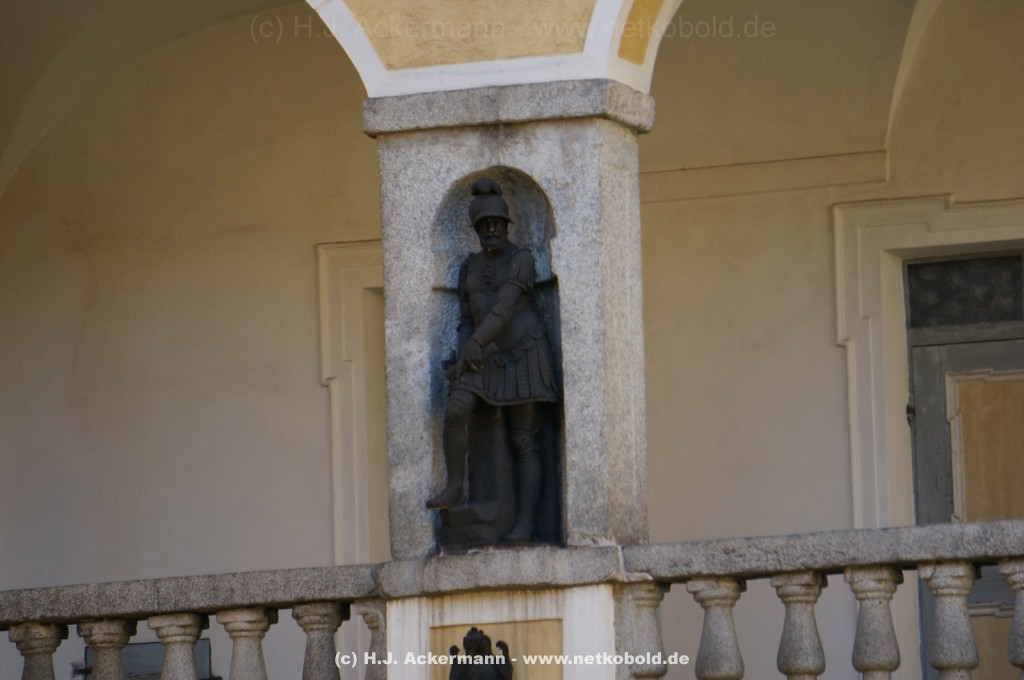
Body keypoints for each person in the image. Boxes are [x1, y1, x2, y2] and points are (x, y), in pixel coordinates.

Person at [426, 178, 558, 542]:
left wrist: (474, 345)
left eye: (497, 224)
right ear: (476, 230)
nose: (492, 231)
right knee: (456, 409)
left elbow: (504, 309)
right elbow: (466, 319)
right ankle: (455, 485)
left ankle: (526, 522)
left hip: (523, 353)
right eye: (484, 225)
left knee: (524, 440)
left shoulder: (522, 259)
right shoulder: (468, 267)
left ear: (507, 225)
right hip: (483, 354)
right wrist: (463, 355)